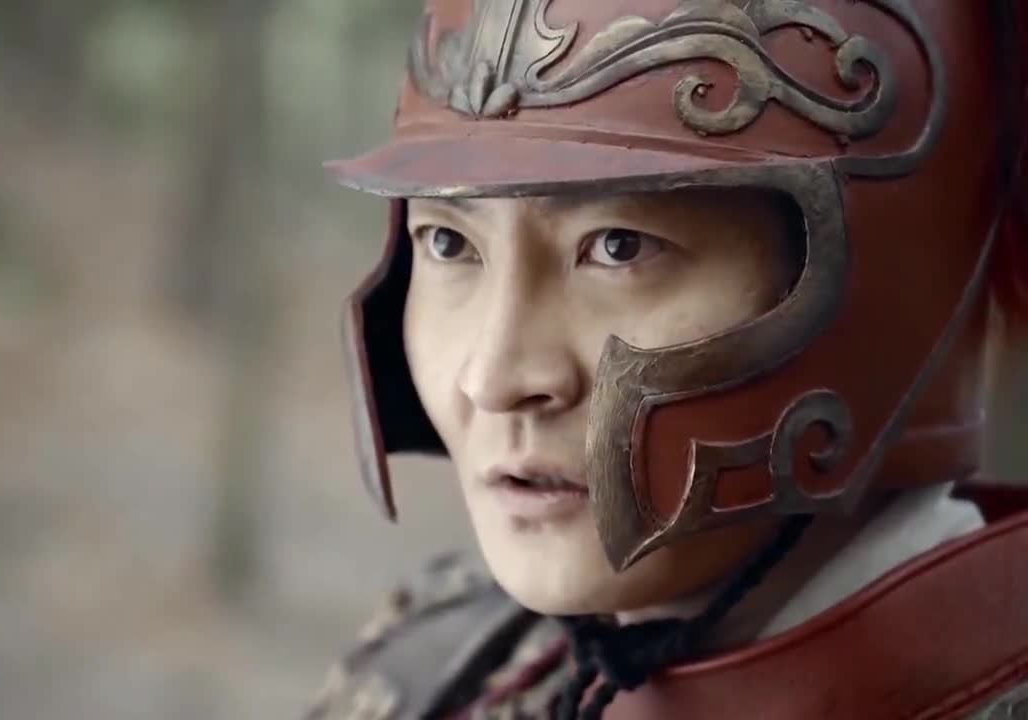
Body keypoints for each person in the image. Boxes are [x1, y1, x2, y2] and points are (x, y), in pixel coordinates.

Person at [306, 0, 1028, 717]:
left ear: (881, 286)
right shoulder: (437, 670)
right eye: (448, 243)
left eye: (619, 246)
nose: (495, 379)